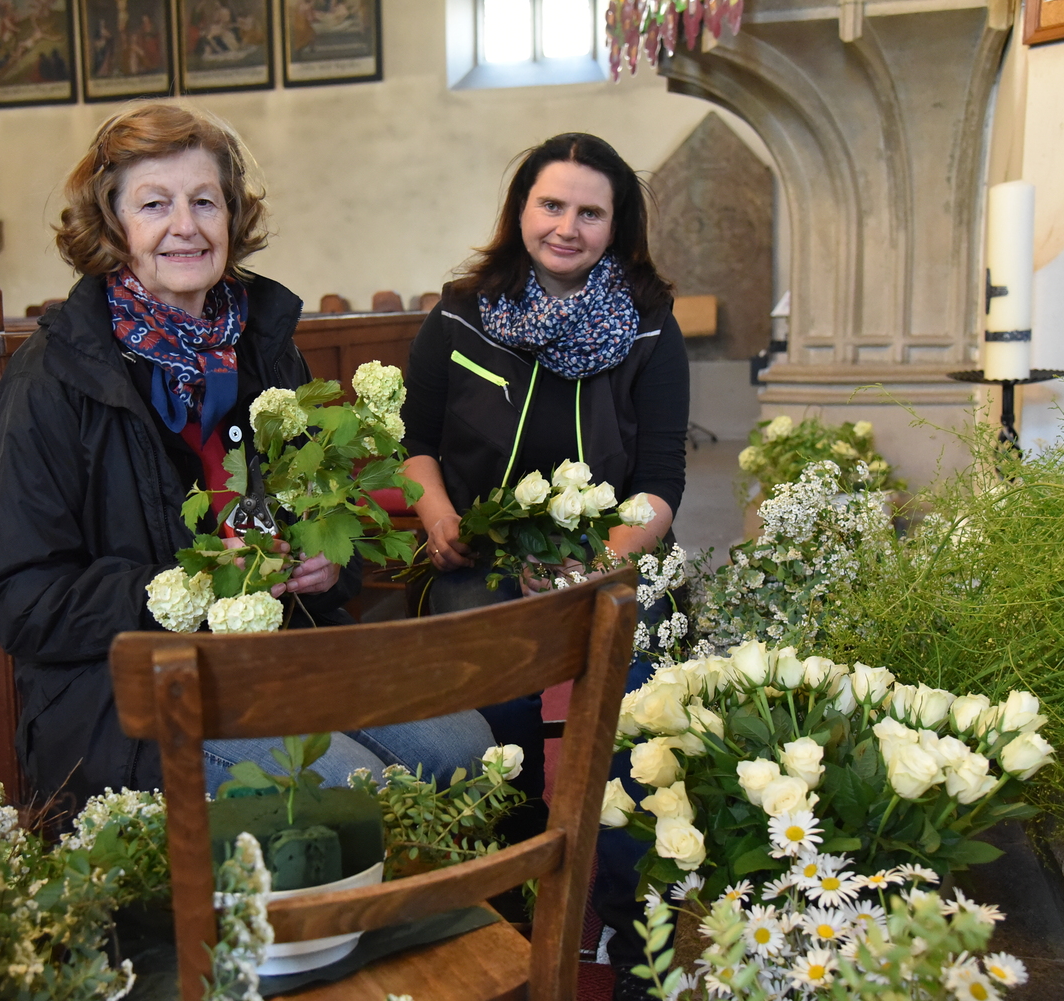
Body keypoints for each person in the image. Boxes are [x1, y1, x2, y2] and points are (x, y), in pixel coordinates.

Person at [0, 103, 493, 817]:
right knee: (338, 786)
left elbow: (324, 516)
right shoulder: (53, 380)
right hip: (125, 692)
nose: (184, 225)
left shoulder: (263, 346)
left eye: (204, 201)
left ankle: (431, 921)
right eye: (154, 204)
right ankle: (349, 924)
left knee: (463, 747)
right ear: (112, 225)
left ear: (232, 218)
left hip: (275, 653)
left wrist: (323, 566)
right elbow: (21, 601)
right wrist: (191, 586)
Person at [399, 131, 688, 996]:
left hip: (604, 565)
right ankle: (500, 920)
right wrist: (435, 505)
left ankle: (637, 930)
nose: (567, 226)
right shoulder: (459, 311)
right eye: (551, 205)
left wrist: (595, 566)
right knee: (487, 728)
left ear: (616, 224)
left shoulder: (647, 328)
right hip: (479, 565)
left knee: (639, 727)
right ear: (520, 210)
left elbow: (662, 488)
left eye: (589, 211)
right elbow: (416, 443)